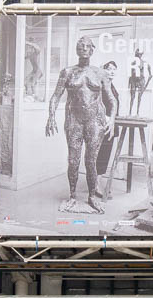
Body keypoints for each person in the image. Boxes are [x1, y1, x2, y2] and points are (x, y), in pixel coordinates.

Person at [45, 35, 119, 214]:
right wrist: (51, 116)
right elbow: (56, 95)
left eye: (87, 46)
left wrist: (113, 119)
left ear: (92, 50)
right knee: (73, 160)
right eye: (81, 45)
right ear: (77, 49)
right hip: (74, 120)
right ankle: (72, 196)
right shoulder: (68, 72)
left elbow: (112, 100)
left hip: (95, 121)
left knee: (91, 161)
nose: (84, 48)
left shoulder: (100, 73)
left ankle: (92, 196)